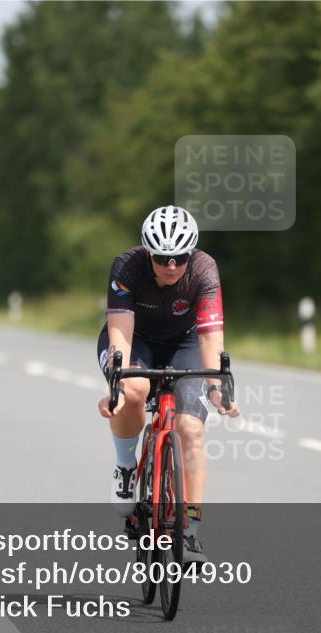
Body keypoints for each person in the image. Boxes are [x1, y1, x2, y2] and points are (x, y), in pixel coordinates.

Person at [96, 205, 239, 563]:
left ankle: (189, 532)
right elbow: (121, 334)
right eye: (162, 257)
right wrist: (117, 384)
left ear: (190, 254)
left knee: (190, 429)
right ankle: (126, 465)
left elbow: (210, 337)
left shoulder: (204, 270)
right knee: (136, 389)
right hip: (136, 339)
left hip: (185, 343)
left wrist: (217, 387)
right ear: (148, 252)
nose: (171, 265)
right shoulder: (127, 267)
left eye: (179, 257)